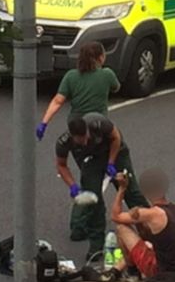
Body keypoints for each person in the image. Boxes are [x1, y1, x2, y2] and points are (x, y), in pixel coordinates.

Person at [37, 42, 120, 243]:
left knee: (88, 176)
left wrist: (44, 122)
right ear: (100, 57)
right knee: (116, 176)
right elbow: (116, 88)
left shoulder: (71, 77)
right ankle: (137, 217)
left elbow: (57, 101)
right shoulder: (107, 74)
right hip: (99, 133)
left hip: (76, 136)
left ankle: (78, 226)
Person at [55, 113, 148, 260]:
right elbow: (61, 165)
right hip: (92, 160)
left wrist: (111, 162)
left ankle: (151, 230)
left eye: (86, 138)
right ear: (73, 137)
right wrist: (72, 186)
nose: (85, 142)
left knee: (131, 192)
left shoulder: (98, 123)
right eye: (80, 140)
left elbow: (116, 137)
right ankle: (96, 246)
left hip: (114, 151)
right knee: (93, 201)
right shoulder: (64, 142)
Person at [101, 169, 175, 282]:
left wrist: (122, 188)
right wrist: (140, 224)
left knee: (121, 228)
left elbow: (116, 216)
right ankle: (126, 269)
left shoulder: (152, 213)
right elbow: (158, 237)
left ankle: (132, 272)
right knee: (144, 239)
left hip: (158, 269)